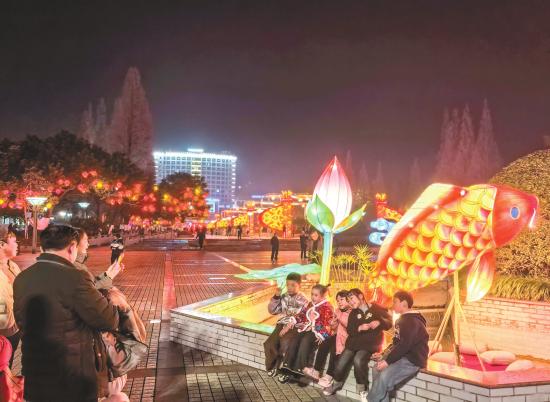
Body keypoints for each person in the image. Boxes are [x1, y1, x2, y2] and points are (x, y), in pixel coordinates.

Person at [13, 224, 120, 402]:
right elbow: (109, 319)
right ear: (72, 247)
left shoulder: (23, 278)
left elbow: (20, 321)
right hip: (72, 379)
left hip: (35, 376)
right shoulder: (75, 277)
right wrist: (109, 298)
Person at [323, 288, 392, 399]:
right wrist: (359, 328)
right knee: (341, 362)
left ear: (360, 296)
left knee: (358, 360)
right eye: (348, 300)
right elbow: (350, 330)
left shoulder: (376, 308)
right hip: (353, 344)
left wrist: (380, 322)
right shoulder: (353, 313)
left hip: (369, 345)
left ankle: (362, 390)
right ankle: (336, 383)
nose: (350, 302)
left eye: (351, 298)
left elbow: (389, 323)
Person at [367, 291, 429, 402]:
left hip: (412, 360)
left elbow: (405, 345)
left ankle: (371, 399)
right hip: (403, 356)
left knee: (384, 377)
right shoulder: (402, 320)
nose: (392, 305)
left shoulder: (412, 321)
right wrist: (383, 354)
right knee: (376, 369)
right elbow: (396, 342)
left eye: (395, 302)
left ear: (404, 303)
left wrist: (387, 361)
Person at [280, 284, 334, 380]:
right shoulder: (310, 304)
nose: (313, 297)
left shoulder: (327, 307)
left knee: (305, 340)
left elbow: (327, 324)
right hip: (306, 329)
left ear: (323, 296)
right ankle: (287, 365)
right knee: (295, 339)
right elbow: (302, 314)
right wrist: (293, 321)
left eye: (316, 295)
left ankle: (301, 368)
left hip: (316, 332)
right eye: (312, 294)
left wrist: (320, 333)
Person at [263, 273, 308, 380]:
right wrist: (276, 296)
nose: (290, 287)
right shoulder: (283, 297)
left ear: (299, 285)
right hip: (282, 323)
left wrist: (290, 325)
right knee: (269, 344)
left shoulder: (304, 300)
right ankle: (272, 366)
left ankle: (285, 370)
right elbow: (272, 311)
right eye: (288, 285)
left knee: (285, 343)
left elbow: (304, 317)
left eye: (293, 285)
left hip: (295, 326)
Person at [304, 290, 351, 387]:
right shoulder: (337, 310)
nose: (339, 302)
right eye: (338, 300)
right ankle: (316, 371)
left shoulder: (352, 312)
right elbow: (334, 328)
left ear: (348, 300)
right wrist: (332, 325)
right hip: (336, 335)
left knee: (334, 350)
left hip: (345, 339)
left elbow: (349, 327)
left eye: (342, 299)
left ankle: (329, 376)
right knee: (324, 342)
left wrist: (338, 320)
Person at [0, 226, 21, 368]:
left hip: (15, 328)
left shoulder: (13, 266)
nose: (17, 245)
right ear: (2, 245)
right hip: (3, 330)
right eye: (14, 241)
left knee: (7, 369)